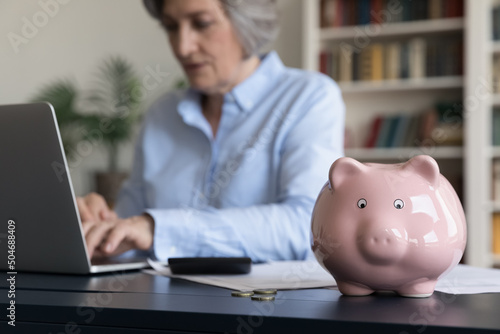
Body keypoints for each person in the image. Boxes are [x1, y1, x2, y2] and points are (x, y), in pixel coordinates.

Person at [77, 0, 345, 263]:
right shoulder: (162, 114)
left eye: (202, 23)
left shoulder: (309, 98)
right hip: (161, 302)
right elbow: (133, 233)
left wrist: (159, 229)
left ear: (247, 22)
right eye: (170, 26)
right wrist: (102, 228)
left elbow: (308, 228)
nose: (183, 47)